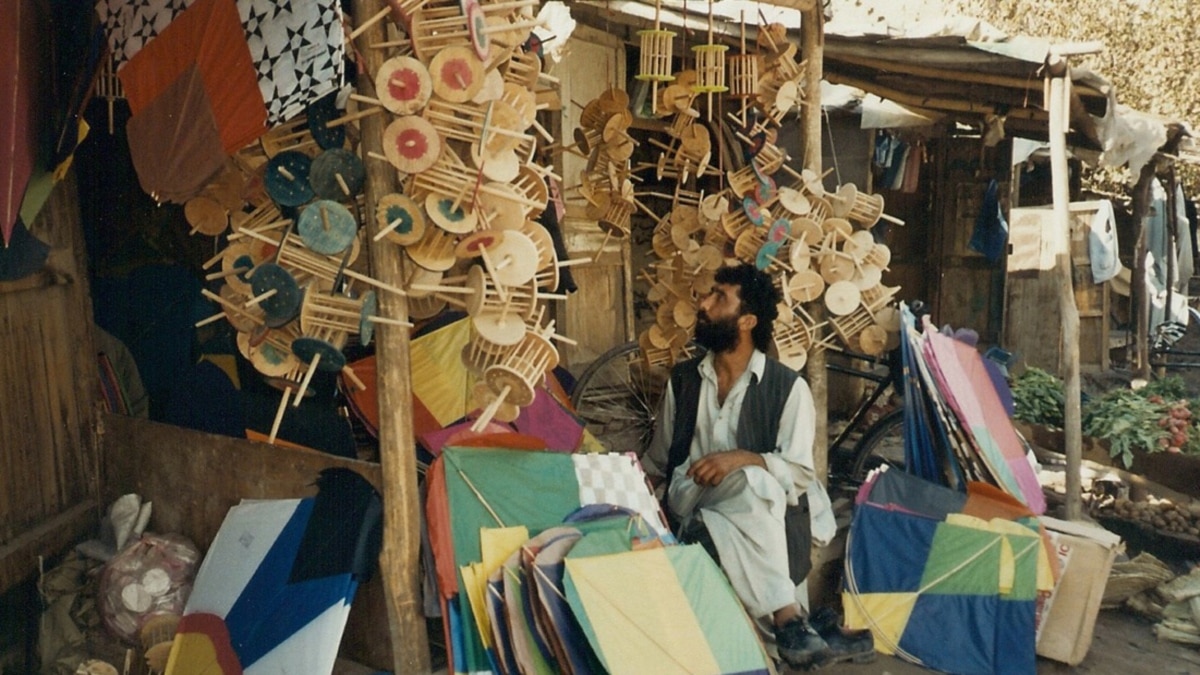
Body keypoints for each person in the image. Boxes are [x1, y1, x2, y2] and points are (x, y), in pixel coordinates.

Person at [643, 262, 871, 670]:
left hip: (756, 508)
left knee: (754, 482)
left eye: (719, 298)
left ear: (746, 321)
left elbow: (801, 474)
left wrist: (744, 458)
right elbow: (660, 459)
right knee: (754, 484)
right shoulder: (684, 380)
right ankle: (792, 618)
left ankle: (787, 629)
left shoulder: (789, 388)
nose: (704, 303)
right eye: (710, 293)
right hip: (690, 498)